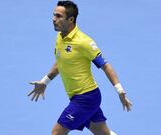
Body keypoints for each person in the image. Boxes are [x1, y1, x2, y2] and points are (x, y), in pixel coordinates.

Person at [28, 1, 132, 135]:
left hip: (85, 98)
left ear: (70, 19)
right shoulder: (60, 38)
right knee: (104, 133)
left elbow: (105, 65)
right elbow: (61, 61)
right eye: (54, 15)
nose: (54, 19)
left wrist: (120, 90)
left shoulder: (84, 42)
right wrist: (45, 81)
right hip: (80, 97)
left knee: (56, 133)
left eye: (59, 16)